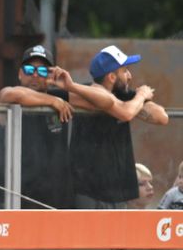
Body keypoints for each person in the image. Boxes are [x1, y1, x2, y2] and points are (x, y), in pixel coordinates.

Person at [69, 45, 169, 208]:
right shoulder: (86, 93)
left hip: (117, 190)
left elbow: (162, 117)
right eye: (125, 71)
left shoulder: (125, 96)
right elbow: (124, 112)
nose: (130, 76)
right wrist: (141, 95)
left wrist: (137, 100)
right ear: (111, 77)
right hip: (87, 189)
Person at [0, 45, 75, 210]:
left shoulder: (61, 97)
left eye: (42, 71)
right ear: (20, 73)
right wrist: (52, 101)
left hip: (56, 197)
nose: (34, 75)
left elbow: (102, 101)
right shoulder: (13, 96)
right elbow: (9, 95)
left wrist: (70, 86)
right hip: (16, 196)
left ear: (50, 75)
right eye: (29, 69)